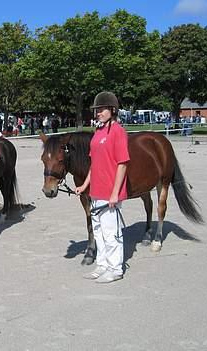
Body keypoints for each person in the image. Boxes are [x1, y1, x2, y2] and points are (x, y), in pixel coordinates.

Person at [75, 91, 130, 284]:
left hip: (109, 192)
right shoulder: (98, 133)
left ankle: (115, 269)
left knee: (110, 231)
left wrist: (115, 193)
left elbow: (122, 163)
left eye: (101, 109)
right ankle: (103, 265)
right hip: (95, 190)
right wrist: (84, 185)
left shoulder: (118, 132)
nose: (97, 113)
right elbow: (94, 163)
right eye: (96, 110)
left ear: (112, 110)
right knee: (98, 230)